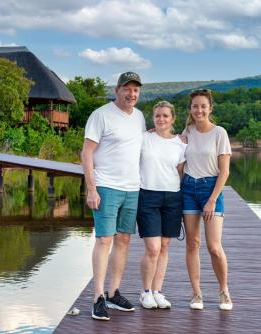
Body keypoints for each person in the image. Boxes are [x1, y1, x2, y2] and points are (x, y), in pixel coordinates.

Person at [81, 71, 146, 321]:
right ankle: (97, 297)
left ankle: (113, 292)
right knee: (104, 240)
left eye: (136, 90)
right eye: (127, 89)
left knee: (124, 240)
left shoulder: (139, 117)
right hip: (106, 186)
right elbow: (87, 153)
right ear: (117, 90)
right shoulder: (101, 115)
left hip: (132, 188)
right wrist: (91, 188)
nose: (132, 94)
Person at [182, 89, 233, 311]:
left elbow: (225, 172)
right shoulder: (187, 132)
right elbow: (170, 148)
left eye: (203, 106)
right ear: (191, 109)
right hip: (188, 189)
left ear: (210, 108)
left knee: (214, 246)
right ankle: (196, 294)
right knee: (193, 244)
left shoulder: (219, 133)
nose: (199, 110)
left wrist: (212, 199)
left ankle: (224, 291)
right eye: (195, 106)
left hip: (210, 189)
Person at [137, 101, 186, 309]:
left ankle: (157, 291)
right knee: (153, 248)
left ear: (173, 118)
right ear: (153, 118)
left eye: (165, 116)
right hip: (147, 195)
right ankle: (145, 291)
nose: (161, 119)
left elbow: (181, 172)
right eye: (157, 115)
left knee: (165, 246)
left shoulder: (181, 144)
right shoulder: (143, 138)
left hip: (173, 198)